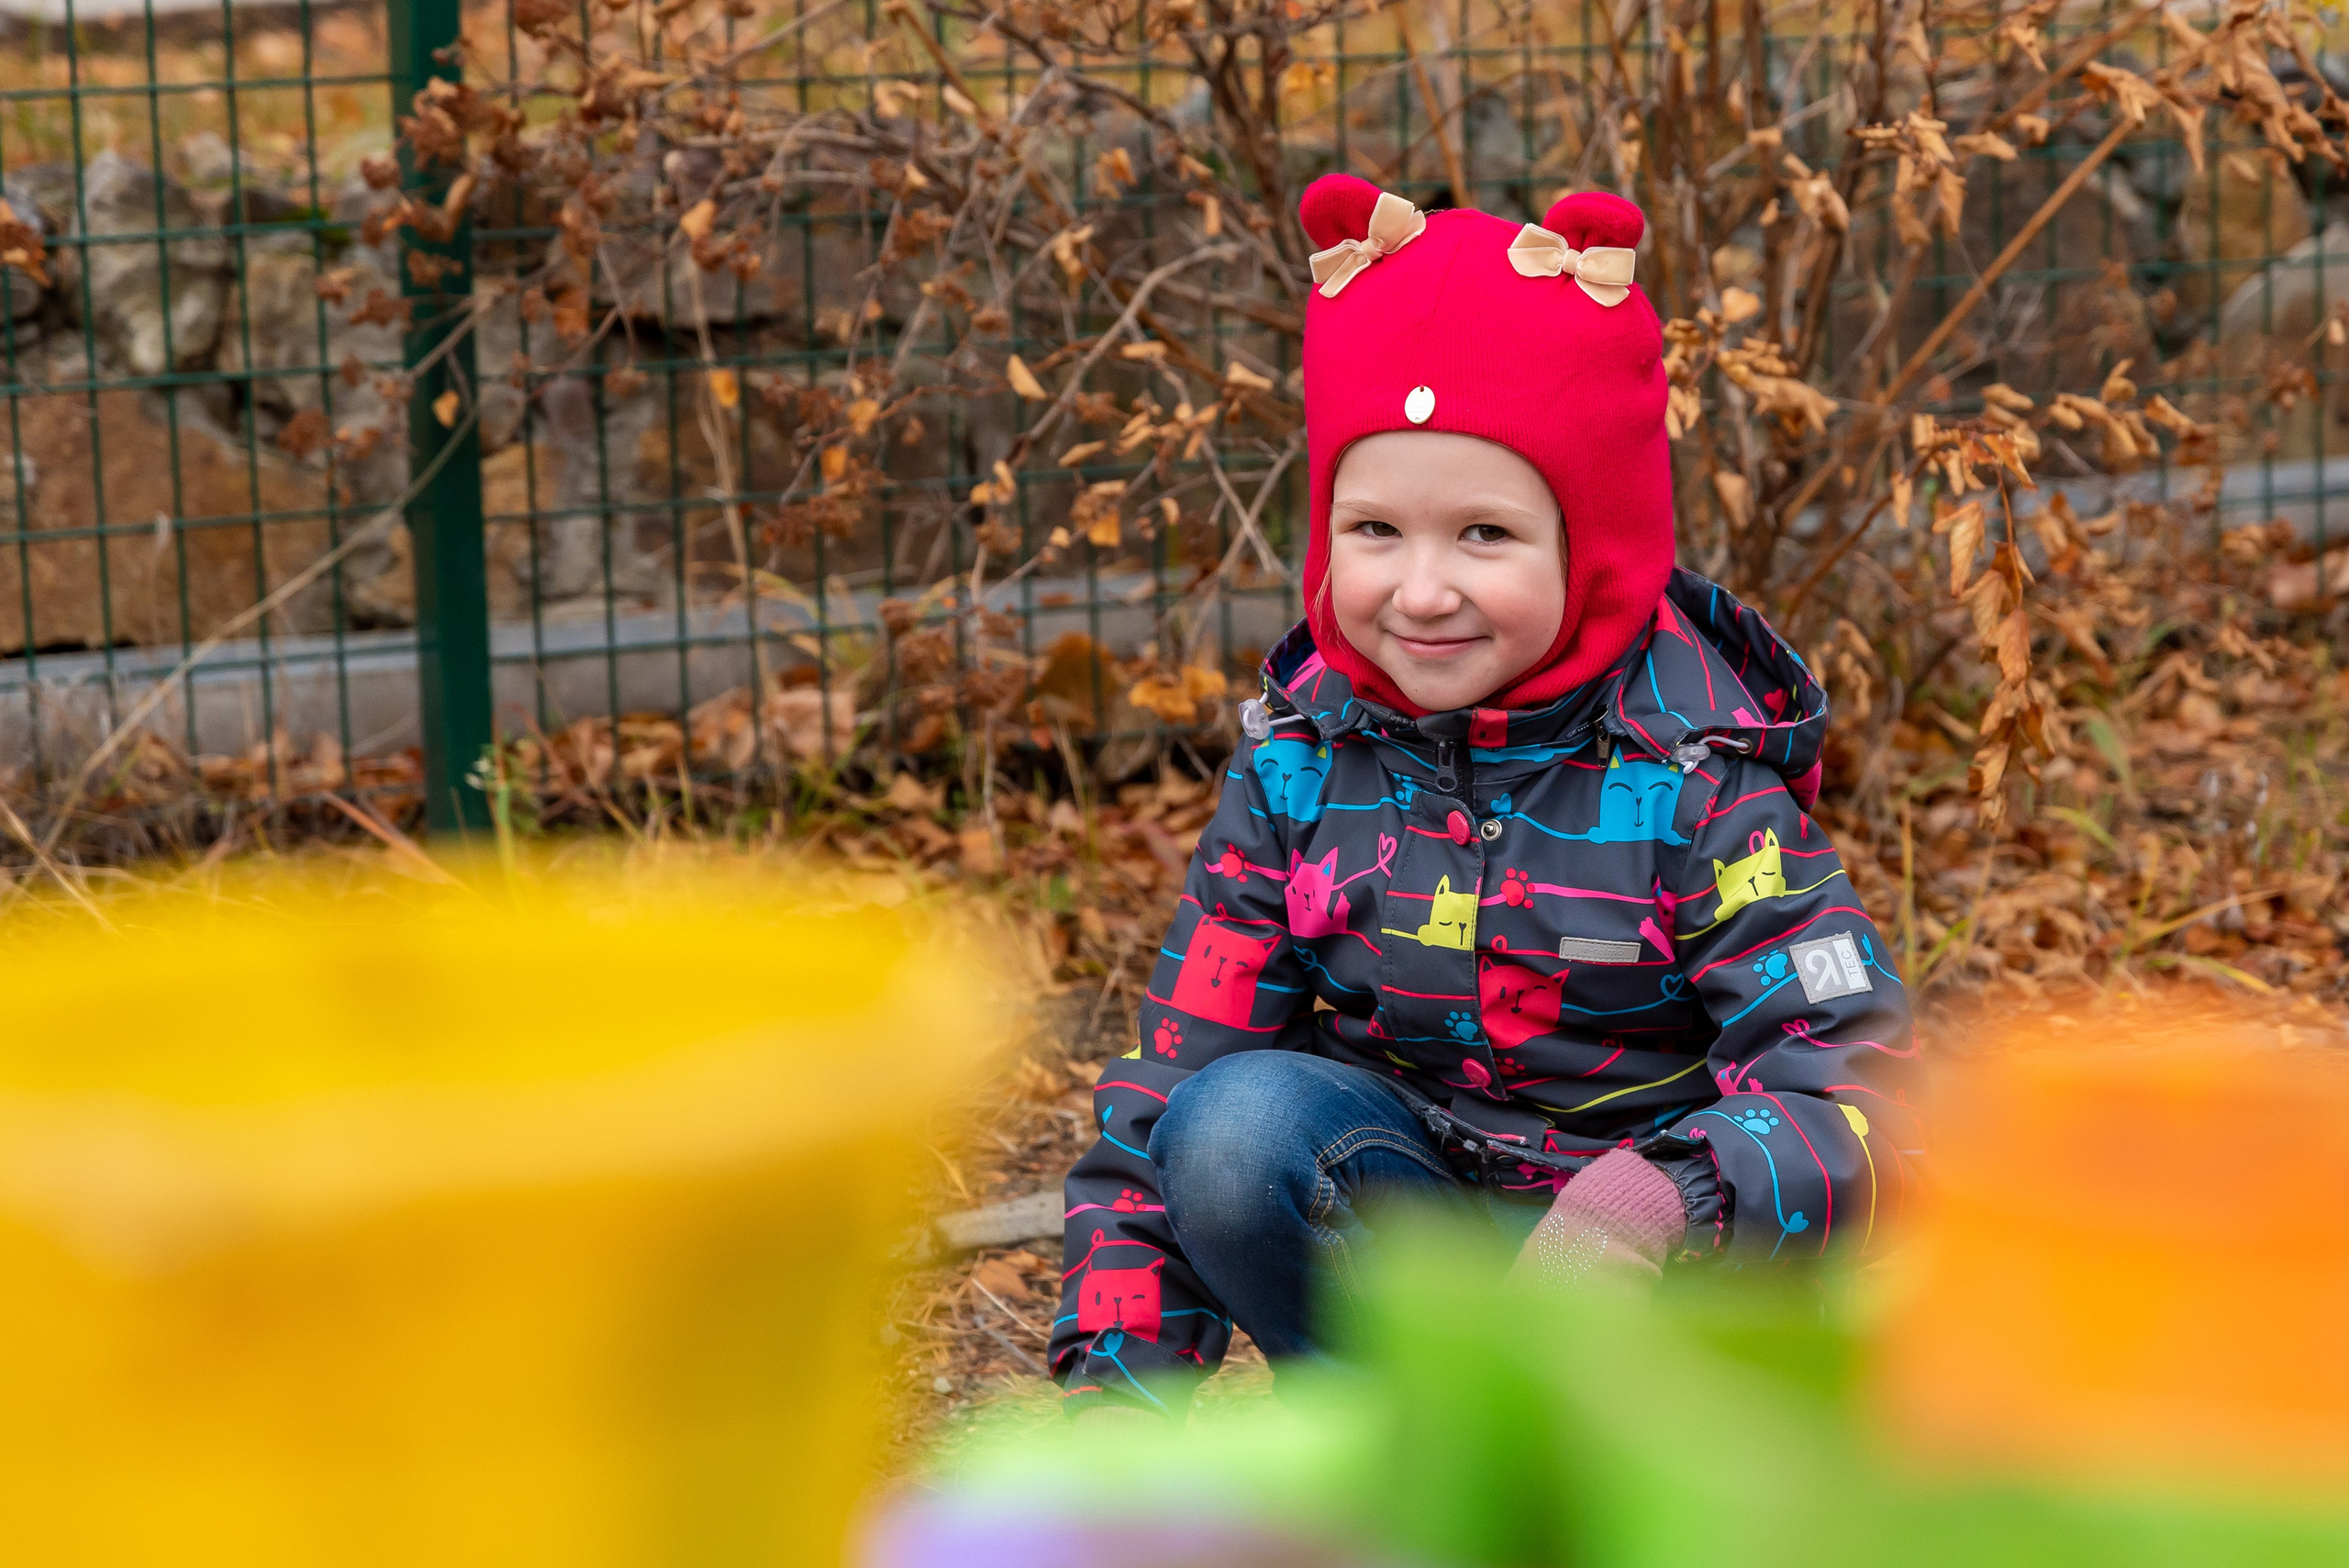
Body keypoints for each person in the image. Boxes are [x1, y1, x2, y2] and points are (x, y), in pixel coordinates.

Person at [1048, 174, 1920, 1428]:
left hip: (1648, 1295)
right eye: (1376, 529)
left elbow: (1865, 1096)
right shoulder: (1302, 756)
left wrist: (1658, 1199)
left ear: (1596, 542)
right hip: (1423, 1265)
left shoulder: (1694, 777)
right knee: (1231, 1126)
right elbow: (1170, 1084)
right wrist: (1114, 1418)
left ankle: (1627, 1470)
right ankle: (1427, 1454)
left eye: (1484, 536)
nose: (1419, 590)